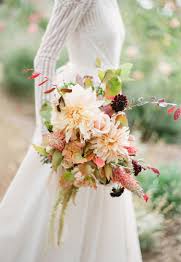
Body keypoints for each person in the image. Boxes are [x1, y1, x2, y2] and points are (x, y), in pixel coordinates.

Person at [0, 0, 142, 261]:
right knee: (57, 195)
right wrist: (49, 130)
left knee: (98, 197)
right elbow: (44, 57)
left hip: (106, 114)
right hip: (76, 110)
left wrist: (114, 111)